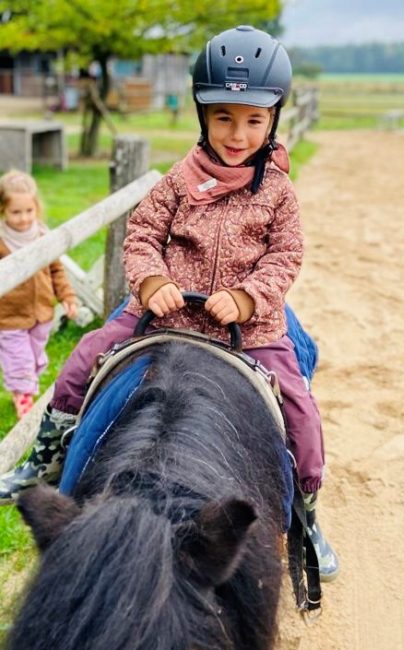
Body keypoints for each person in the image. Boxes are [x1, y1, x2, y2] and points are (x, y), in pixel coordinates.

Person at [0, 27, 338, 580]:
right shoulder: (179, 179)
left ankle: (305, 510)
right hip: (167, 311)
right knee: (87, 355)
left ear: (273, 119)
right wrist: (151, 279)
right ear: (202, 114)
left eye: (253, 120)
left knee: (298, 408)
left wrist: (248, 297)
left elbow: (286, 254)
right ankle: (47, 454)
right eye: (223, 117)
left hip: (247, 329)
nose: (237, 133)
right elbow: (142, 235)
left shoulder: (277, 193)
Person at [0, 170, 77, 419]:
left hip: (42, 313)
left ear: (36, 208)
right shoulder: (2, 241)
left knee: (34, 359)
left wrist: (67, 296)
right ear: (3, 210)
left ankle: (23, 386)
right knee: (19, 360)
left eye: (28, 211)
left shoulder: (43, 236)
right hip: (10, 316)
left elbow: (56, 269)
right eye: (16, 212)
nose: (23, 219)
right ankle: (24, 399)